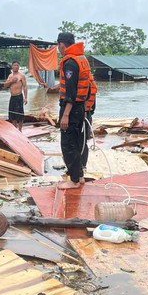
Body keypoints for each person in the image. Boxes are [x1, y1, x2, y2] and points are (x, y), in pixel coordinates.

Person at [53, 32, 91, 189]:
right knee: (76, 142)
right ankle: (79, 176)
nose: (58, 49)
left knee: (68, 144)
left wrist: (65, 115)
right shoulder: (82, 59)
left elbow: (70, 91)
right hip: (80, 107)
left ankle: (74, 180)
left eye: (58, 45)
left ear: (62, 44)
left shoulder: (69, 62)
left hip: (71, 108)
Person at [3, 60, 27, 131]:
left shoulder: (21, 76)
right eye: (14, 65)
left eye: (17, 65)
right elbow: (4, 86)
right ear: (12, 66)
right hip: (12, 97)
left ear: (19, 67)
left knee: (20, 114)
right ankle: (15, 129)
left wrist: (26, 98)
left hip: (19, 96)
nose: (16, 67)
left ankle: (20, 129)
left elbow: (25, 86)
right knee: (12, 114)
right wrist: (11, 81)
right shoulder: (10, 76)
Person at [81, 72, 97, 170]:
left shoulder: (83, 86)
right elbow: (93, 106)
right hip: (88, 115)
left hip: (81, 115)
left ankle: (79, 165)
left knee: (77, 142)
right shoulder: (92, 85)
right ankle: (83, 165)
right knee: (84, 142)